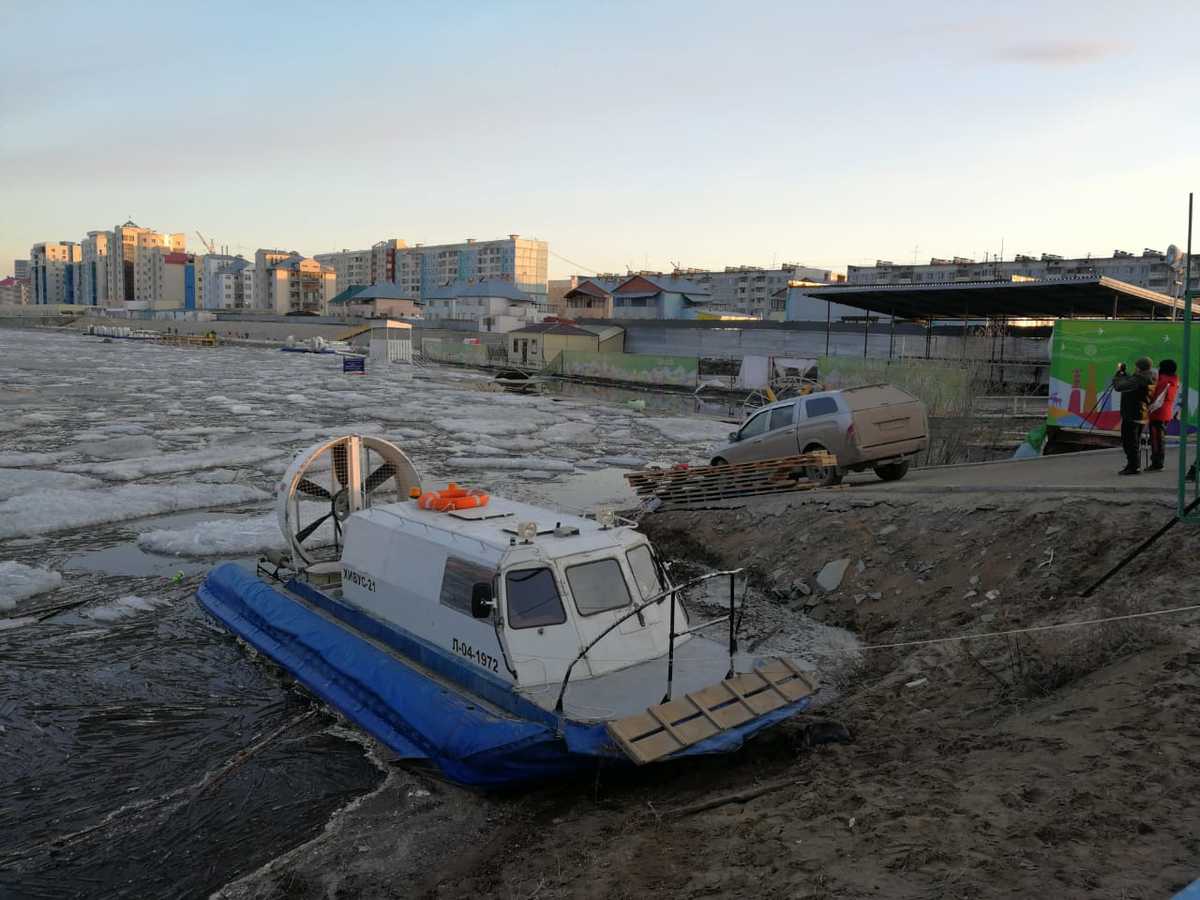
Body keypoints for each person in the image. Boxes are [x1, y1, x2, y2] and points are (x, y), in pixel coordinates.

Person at [1111, 356, 1154, 475]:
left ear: (1139, 367)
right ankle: (1133, 464)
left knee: (1129, 442)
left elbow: (1119, 386)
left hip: (1132, 414)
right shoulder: (1149, 377)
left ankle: (1133, 467)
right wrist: (1125, 375)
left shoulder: (1139, 379)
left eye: (1136, 366)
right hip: (1141, 413)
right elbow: (1131, 382)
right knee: (1134, 441)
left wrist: (1118, 375)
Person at [1147, 358, 1179, 472]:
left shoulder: (1163, 381)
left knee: (1156, 440)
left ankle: (1157, 464)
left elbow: (1155, 396)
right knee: (1159, 439)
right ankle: (1157, 462)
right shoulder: (1173, 379)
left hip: (1158, 413)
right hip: (1166, 412)